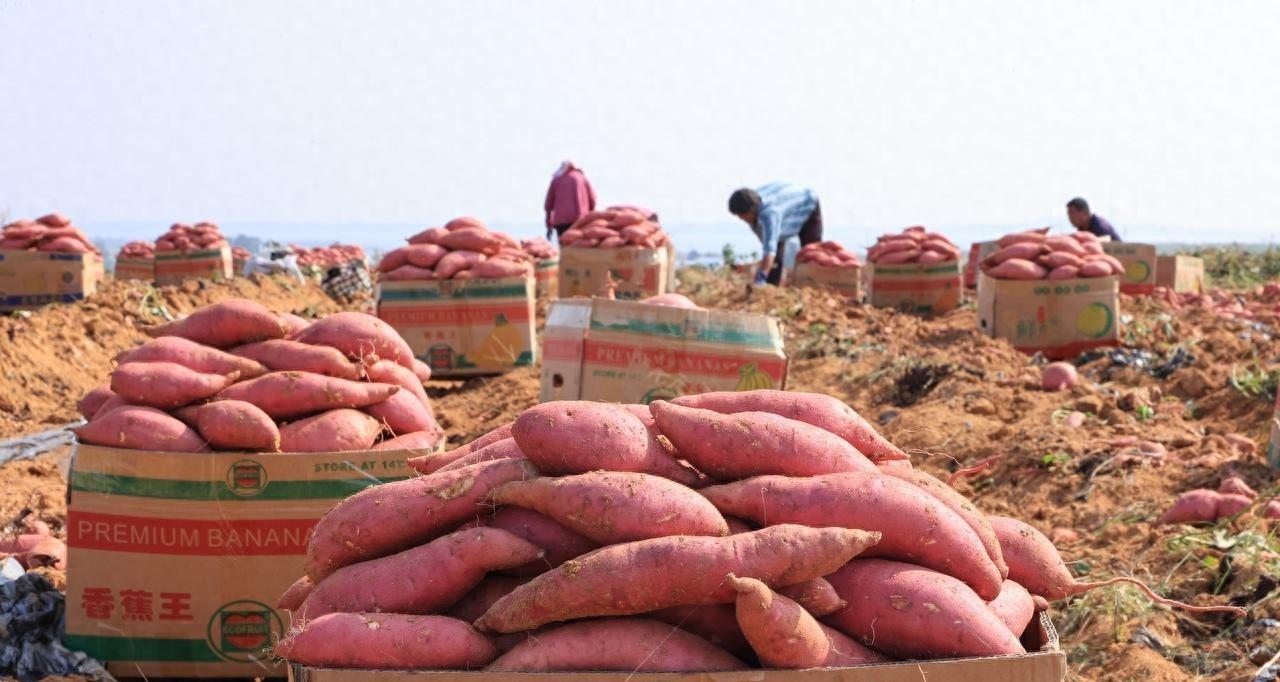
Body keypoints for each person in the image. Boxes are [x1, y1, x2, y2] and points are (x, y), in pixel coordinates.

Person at [728, 182, 822, 285]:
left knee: (811, 254)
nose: (741, 218)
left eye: (742, 215)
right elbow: (767, 244)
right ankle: (771, 286)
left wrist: (762, 276)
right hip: (784, 205)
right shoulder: (749, 201)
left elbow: (769, 249)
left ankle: (816, 286)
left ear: (751, 211)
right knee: (774, 265)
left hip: (806, 202)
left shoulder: (770, 214)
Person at [544, 161, 597, 240]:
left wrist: (549, 225)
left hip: (561, 222)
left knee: (564, 243)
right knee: (578, 244)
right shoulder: (582, 178)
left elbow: (548, 204)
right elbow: (592, 200)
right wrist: (591, 218)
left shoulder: (556, 180)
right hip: (580, 220)